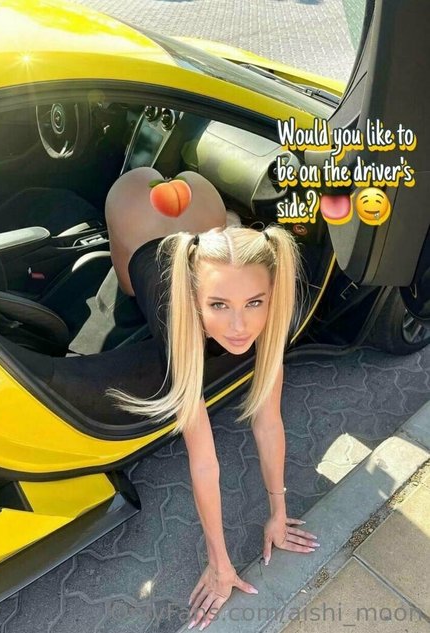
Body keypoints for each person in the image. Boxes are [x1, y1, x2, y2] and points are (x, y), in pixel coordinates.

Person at [105, 166, 319, 630]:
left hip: (199, 204)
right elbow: (204, 460)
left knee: (227, 264)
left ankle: (224, 255)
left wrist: (279, 513)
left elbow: (268, 420)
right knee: (126, 287)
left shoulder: (270, 314)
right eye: (219, 305)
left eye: (254, 302)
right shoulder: (178, 325)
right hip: (133, 213)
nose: (240, 328)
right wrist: (220, 564)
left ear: (271, 295)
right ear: (195, 301)